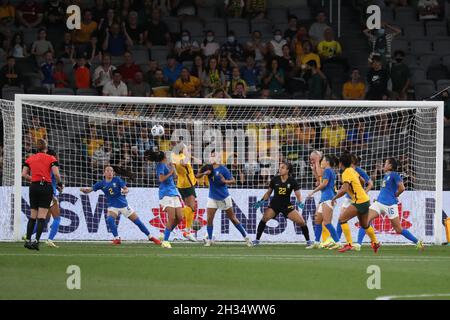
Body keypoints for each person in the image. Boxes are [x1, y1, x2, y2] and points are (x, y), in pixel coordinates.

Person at [356, 158, 424, 250]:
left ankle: (418, 242)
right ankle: (358, 245)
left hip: (390, 205)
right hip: (379, 203)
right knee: (365, 221)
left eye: (385, 163)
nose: (384, 165)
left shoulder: (394, 175)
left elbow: (402, 188)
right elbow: (386, 190)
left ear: (390, 166)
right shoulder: (386, 176)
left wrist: (395, 195)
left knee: (398, 229)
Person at [81, 166, 161, 245]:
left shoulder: (117, 180)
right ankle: (117, 238)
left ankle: (150, 237)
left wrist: (125, 191)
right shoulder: (101, 183)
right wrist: (85, 190)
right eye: (108, 171)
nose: (110, 172)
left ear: (113, 173)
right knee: (109, 219)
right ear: (104, 173)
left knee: (138, 222)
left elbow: (126, 189)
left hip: (123, 205)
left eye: (111, 171)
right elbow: (90, 190)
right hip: (112, 206)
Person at [196, 150, 252, 247]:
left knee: (233, 219)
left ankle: (246, 237)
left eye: (214, 156)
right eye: (211, 156)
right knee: (209, 219)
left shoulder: (223, 169)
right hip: (212, 197)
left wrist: (225, 181)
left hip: (223, 197)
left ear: (218, 158)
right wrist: (205, 173)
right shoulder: (207, 167)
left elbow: (233, 181)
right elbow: (197, 176)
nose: (212, 158)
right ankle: (209, 240)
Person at [253, 161, 311, 246]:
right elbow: (268, 192)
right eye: (280, 167)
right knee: (264, 219)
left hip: (286, 205)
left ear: (288, 170)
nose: (280, 169)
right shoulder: (274, 179)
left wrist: (299, 202)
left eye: (282, 167)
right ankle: (257, 240)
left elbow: (297, 193)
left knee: (301, 222)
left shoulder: (292, 181)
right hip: (274, 205)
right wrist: (261, 201)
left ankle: (308, 241)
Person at [331, 153, 380, 253]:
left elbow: (344, 189)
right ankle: (375, 242)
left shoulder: (346, 173)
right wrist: (358, 189)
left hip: (359, 201)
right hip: (365, 200)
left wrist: (334, 197)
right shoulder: (352, 170)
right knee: (364, 224)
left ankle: (349, 244)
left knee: (342, 219)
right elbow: (362, 180)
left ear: (341, 163)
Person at [22, 139, 62, 250]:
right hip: (46, 188)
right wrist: (60, 183)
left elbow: (24, 174)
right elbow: (56, 174)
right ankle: (37, 242)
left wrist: (34, 179)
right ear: (46, 147)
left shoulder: (30, 158)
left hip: (33, 187)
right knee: (42, 218)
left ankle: (27, 240)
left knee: (33, 216)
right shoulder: (51, 159)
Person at [145, 148, 184, 249]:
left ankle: (165, 234)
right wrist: (170, 173)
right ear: (164, 157)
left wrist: (172, 169)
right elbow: (161, 179)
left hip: (174, 193)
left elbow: (175, 177)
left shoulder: (166, 165)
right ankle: (165, 241)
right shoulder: (160, 166)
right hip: (166, 194)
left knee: (179, 217)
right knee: (172, 218)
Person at [306, 155, 341, 249]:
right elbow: (320, 180)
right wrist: (314, 170)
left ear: (328, 162)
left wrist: (313, 191)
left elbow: (324, 184)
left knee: (327, 222)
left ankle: (338, 242)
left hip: (329, 199)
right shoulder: (328, 171)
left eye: (323, 160)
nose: (322, 162)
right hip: (324, 199)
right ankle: (316, 243)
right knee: (317, 220)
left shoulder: (328, 170)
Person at [171, 143, 197, 241]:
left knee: (189, 207)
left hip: (180, 184)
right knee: (191, 208)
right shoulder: (182, 157)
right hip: (187, 184)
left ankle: (187, 231)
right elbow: (184, 162)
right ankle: (175, 218)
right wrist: (188, 154)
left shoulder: (174, 156)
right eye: (185, 148)